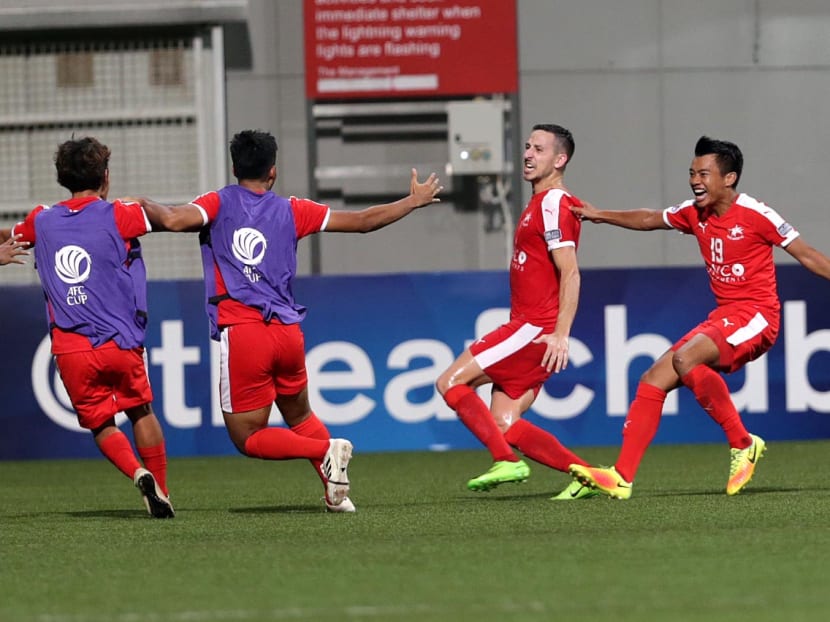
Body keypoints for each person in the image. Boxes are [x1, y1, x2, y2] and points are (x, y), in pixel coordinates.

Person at [133, 129, 442, 512]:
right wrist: (412, 201)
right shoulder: (293, 209)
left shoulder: (218, 202)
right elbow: (363, 221)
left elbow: (176, 220)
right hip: (287, 333)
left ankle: (325, 450)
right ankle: (337, 494)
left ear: (234, 168)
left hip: (244, 333)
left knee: (247, 438)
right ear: (273, 172)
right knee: (300, 414)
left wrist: (140, 205)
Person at [569, 135, 830, 499]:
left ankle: (742, 443)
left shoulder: (757, 214)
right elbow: (648, 219)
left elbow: (808, 255)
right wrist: (600, 215)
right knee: (653, 378)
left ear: (729, 178)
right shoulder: (695, 213)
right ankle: (622, 475)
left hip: (757, 315)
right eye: (692, 172)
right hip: (725, 315)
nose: (695, 180)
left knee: (684, 357)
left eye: (704, 174)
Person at [3, 137, 174, 517]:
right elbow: (173, 220)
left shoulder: (41, 219)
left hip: (72, 348)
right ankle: (161, 490)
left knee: (101, 424)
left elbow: (10, 236)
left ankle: (137, 473)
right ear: (105, 177)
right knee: (141, 412)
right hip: (120, 341)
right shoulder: (121, 213)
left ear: (62, 177)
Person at [435, 124, 599, 501]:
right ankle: (590, 476)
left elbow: (570, 272)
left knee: (450, 383)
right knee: (503, 423)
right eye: (527, 146)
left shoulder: (555, 203)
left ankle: (505, 461)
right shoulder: (538, 203)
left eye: (539, 149)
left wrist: (560, 333)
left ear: (560, 160)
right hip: (530, 326)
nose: (528, 154)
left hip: (532, 327)